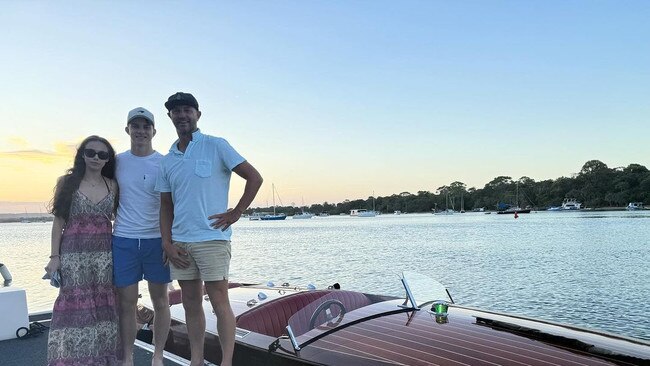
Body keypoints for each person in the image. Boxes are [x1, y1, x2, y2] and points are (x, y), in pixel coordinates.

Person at [155, 92, 263, 366]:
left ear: (197, 115)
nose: (182, 115)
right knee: (191, 303)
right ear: (170, 117)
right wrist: (166, 243)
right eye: (176, 111)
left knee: (219, 301)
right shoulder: (167, 160)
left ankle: (226, 362)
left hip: (212, 238)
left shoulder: (216, 145)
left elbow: (254, 177)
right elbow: (165, 206)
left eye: (187, 110)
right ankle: (197, 360)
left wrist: (237, 212)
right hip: (180, 243)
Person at [45, 135, 120, 365]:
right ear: (82, 154)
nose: (96, 158)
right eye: (91, 152)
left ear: (108, 159)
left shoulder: (113, 185)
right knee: (73, 307)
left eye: (102, 154)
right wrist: (54, 257)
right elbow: (59, 221)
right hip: (73, 255)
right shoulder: (68, 183)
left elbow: (118, 219)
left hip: (105, 255)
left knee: (105, 307)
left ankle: (101, 360)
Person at [112, 107, 171, 366]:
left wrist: (170, 241)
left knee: (161, 300)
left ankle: (157, 356)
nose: (141, 131)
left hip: (156, 241)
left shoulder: (165, 163)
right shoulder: (116, 162)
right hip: (123, 240)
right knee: (126, 304)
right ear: (127, 130)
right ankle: (127, 357)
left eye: (146, 126)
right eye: (135, 126)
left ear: (154, 131)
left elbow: (173, 205)